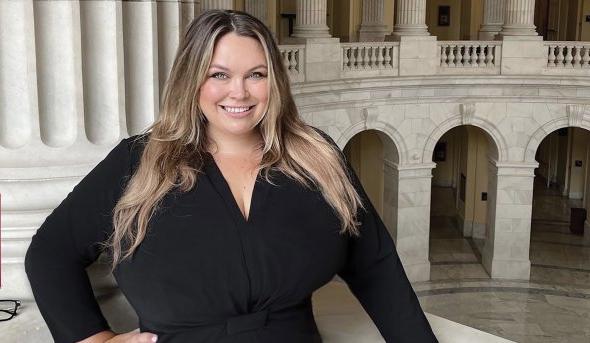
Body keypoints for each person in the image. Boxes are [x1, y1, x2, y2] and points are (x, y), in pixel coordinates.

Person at [25, 10, 437, 343]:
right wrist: (93, 338)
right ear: (191, 80)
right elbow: (50, 252)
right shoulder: (137, 161)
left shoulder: (317, 158)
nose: (238, 93)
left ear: (274, 82)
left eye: (256, 74)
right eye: (219, 74)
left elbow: (376, 266)